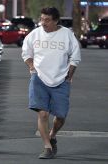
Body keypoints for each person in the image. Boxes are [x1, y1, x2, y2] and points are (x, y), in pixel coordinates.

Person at [21, 7, 81, 159]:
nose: (43, 23)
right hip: (39, 78)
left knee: (60, 116)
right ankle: (47, 147)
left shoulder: (67, 34)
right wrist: (31, 66)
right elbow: (26, 52)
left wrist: (70, 74)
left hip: (61, 79)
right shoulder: (35, 34)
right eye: (42, 19)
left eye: (47, 20)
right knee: (43, 113)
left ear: (55, 21)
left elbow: (75, 56)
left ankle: (53, 135)